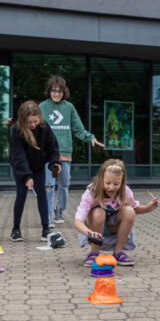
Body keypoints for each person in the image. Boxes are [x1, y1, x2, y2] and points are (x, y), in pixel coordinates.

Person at [39, 76, 104, 224]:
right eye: (54, 91)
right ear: (49, 91)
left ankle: (59, 210)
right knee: (48, 185)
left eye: (60, 91)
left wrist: (90, 137)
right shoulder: (42, 107)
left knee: (64, 183)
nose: (56, 94)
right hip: (47, 154)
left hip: (65, 153)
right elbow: (35, 128)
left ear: (64, 92)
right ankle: (47, 216)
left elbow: (78, 129)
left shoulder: (69, 108)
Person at [73, 159, 159, 266]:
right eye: (108, 183)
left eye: (116, 184)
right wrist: (89, 233)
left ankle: (118, 253)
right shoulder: (91, 192)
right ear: (101, 179)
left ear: (122, 182)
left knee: (129, 211)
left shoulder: (125, 191)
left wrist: (147, 208)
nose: (111, 187)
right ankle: (94, 253)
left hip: (113, 226)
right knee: (98, 213)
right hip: (95, 226)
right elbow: (78, 221)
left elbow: (134, 208)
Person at [9, 100, 61, 242]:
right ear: (22, 120)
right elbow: (18, 155)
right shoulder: (16, 130)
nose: (32, 125)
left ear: (39, 118)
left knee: (42, 194)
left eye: (35, 121)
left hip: (38, 166)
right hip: (21, 167)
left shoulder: (44, 127)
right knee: (21, 194)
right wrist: (26, 176)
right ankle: (16, 229)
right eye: (29, 122)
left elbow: (53, 148)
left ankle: (45, 229)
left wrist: (55, 163)